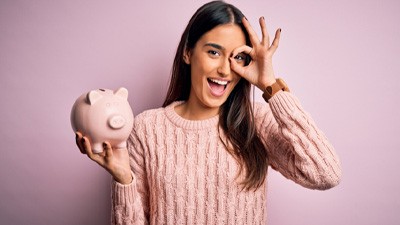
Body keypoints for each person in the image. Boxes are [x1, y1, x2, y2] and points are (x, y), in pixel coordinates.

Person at [75, 1, 342, 224]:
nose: (226, 70)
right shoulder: (147, 128)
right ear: (188, 53)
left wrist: (271, 86)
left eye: (238, 57)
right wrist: (123, 179)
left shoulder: (255, 123)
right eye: (214, 52)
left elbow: (325, 173)